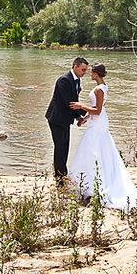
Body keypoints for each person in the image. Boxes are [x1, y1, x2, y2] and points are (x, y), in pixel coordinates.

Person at [68, 63, 137, 211]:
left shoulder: (98, 89)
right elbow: (96, 110)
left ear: (96, 73)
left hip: (98, 124)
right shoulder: (103, 87)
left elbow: (98, 110)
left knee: (92, 151)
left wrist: (80, 106)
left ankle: (93, 185)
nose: (89, 74)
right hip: (97, 122)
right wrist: (85, 118)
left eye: (91, 72)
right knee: (94, 150)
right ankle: (88, 184)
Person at [45, 57, 88, 185]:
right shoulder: (64, 80)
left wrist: (77, 117)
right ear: (75, 67)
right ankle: (60, 180)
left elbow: (74, 100)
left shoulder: (77, 80)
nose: (85, 72)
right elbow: (69, 102)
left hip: (65, 119)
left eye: (86, 70)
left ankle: (63, 175)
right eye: (83, 70)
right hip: (57, 118)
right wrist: (88, 112)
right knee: (60, 148)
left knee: (65, 147)